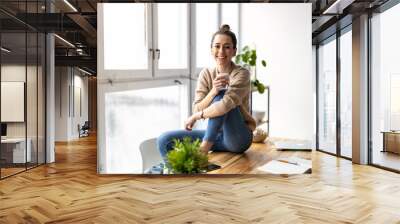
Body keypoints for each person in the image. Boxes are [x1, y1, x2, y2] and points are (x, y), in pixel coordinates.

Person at [157, 24, 256, 163]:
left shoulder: (242, 74)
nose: (221, 51)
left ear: (234, 51)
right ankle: (177, 177)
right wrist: (213, 91)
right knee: (164, 140)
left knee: (223, 96)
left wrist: (195, 117)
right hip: (217, 136)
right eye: (217, 46)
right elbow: (197, 107)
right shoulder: (206, 74)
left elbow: (224, 105)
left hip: (238, 138)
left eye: (227, 47)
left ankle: (203, 149)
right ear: (211, 49)